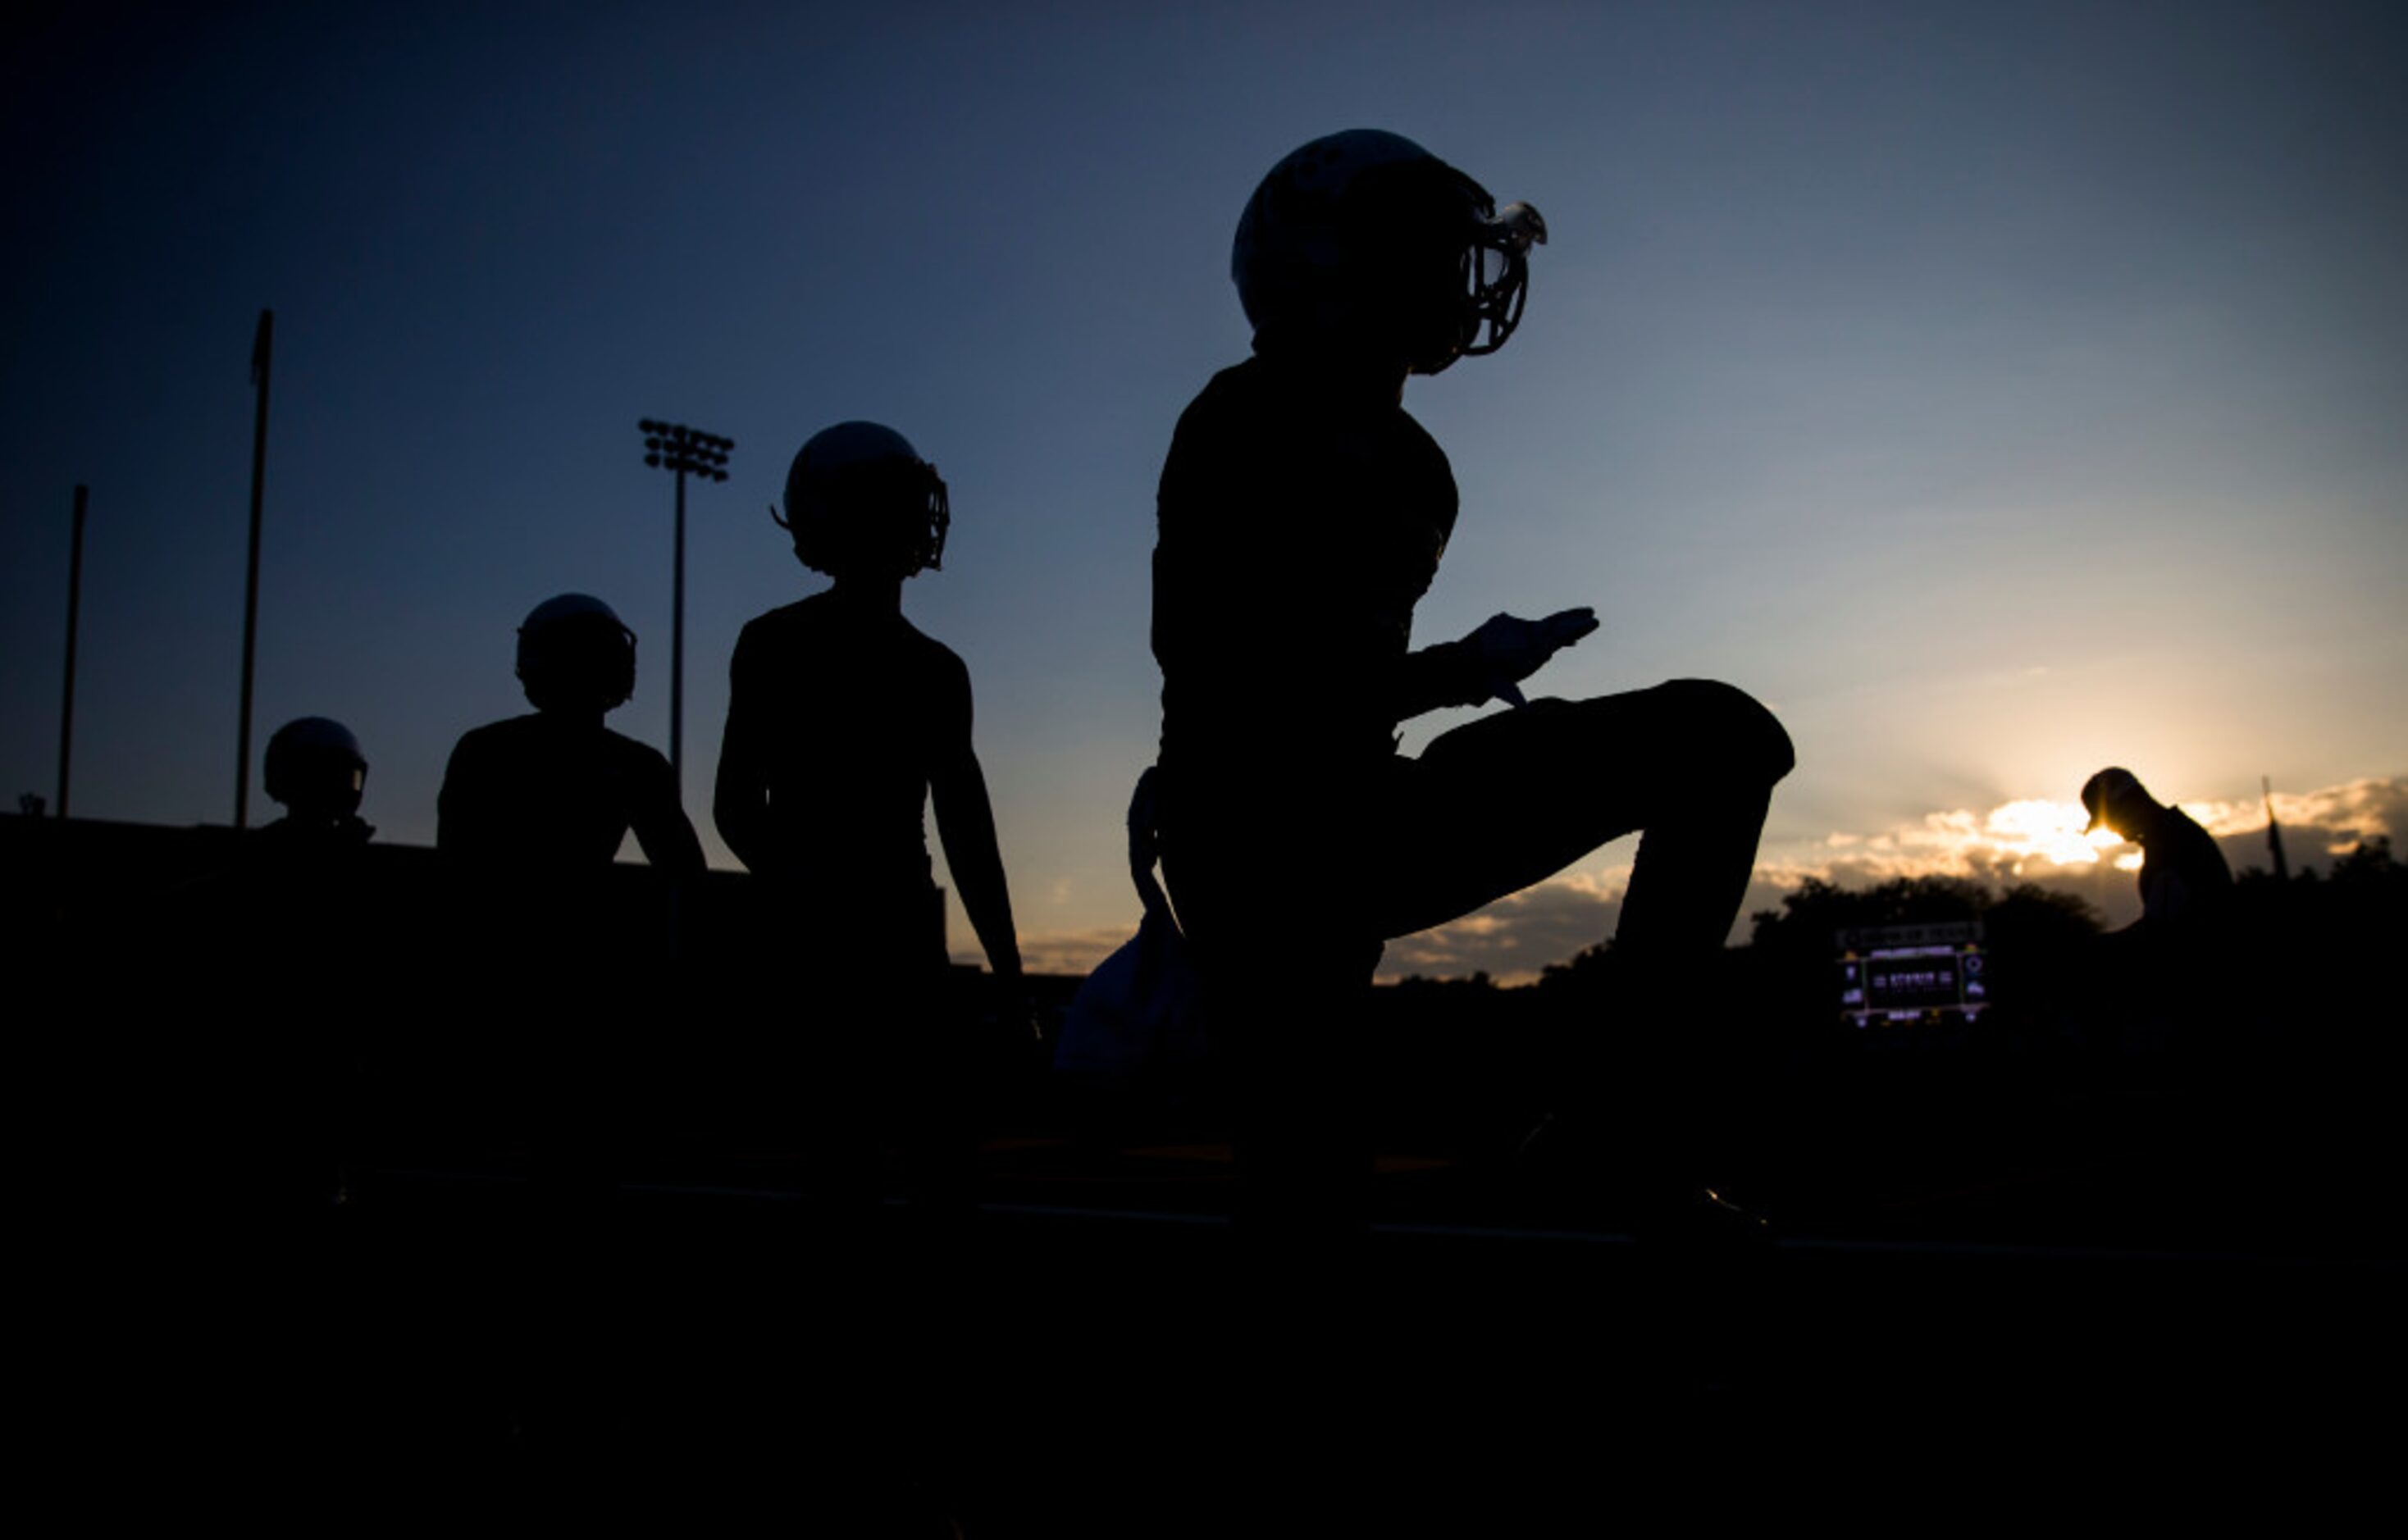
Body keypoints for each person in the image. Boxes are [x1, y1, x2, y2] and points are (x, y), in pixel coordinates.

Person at [1151, 129, 1795, 1239]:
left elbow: (1333, 690)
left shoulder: (1415, 465)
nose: (1457, 275)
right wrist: (1459, 670)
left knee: (1724, 737)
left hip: (1359, 807)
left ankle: (1612, 1128)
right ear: (1323, 264)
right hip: (1255, 838)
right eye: (1422, 249)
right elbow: (1250, 696)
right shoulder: (1242, 422)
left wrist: (1454, 677)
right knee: (1312, 1201)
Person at [714, 420, 1027, 1210]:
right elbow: (735, 806)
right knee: (873, 1160)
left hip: (875, 934)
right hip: (851, 939)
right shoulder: (803, 649)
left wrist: (1011, 971)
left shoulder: (916, 664)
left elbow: (968, 830)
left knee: (899, 1161)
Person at [437, 593, 705, 875]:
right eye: (582, 650)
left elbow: (686, 874)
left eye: (603, 651)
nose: (592, 664)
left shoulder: (639, 767)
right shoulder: (486, 752)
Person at [2080, 767, 2234, 935]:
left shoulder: (2170, 843)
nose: (2110, 828)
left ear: (2127, 803)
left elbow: (2160, 930)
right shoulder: (2173, 832)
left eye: (2108, 819)